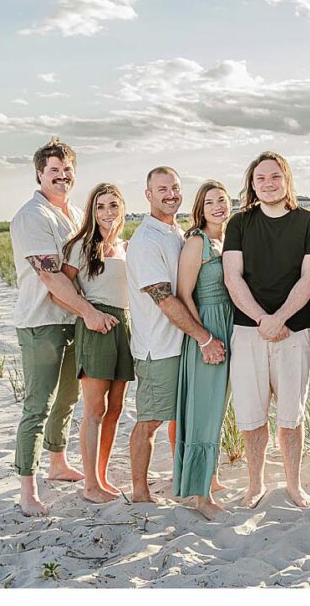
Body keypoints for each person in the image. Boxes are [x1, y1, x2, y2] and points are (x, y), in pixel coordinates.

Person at [9, 137, 120, 517]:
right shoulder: (32, 216)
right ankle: (27, 487)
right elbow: (52, 277)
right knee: (37, 404)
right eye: (53, 170)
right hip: (42, 323)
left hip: (75, 322)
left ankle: (58, 462)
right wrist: (90, 312)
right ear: (40, 174)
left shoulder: (74, 213)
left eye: (66, 169)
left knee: (68, 399)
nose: (61, 176)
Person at [222, 152, 310, 508]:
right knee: (251, 415)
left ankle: (294, 486)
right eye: (260, 178)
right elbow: (232, 276)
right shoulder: (239, 224)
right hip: (248, 330)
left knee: (290, 416)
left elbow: (309, 277)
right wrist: (262, 320)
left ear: (287, 179)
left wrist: (279, 318)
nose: (268, 184)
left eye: (274, 177)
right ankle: (255, 485)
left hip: (295, 331)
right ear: (252, 184)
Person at [126, 167, 226, 504]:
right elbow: (164, 298)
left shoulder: (176, 234)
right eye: (162, 189)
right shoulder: (146, 240)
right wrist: (205, 338)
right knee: (150, 419)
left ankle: (186, 479)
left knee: (185, 417)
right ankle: (140, 492)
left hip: (181, 340)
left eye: (175, 188)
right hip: (158, 346)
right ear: (148, 194)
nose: (170, 194)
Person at [58, 183, 133, 504]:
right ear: (92, 211)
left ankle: (101, 477)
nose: (107, 213)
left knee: (115, 409)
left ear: (122, 209)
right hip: (96, 328)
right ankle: (90, 485)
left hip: (124, 329)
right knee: (95, 410)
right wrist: (89, 314)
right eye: (100, 206)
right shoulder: (80, 246)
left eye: (113, 205)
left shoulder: (124, 246)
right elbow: (59, 290)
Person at [173, 181, 235, 520]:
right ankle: (201, 495)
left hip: (230, 324)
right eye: (209, 201)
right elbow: (184, 295)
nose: (217, 206)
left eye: (222, 200)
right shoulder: (196, 241)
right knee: (204, 410)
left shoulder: (227, 240)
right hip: (207, 325)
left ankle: (210, 475)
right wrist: (204, 338)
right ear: (200, 207)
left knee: (219, 408)